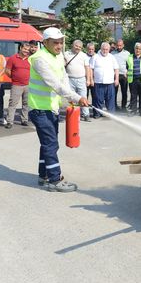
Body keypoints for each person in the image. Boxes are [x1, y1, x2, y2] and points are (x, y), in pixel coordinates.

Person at [28, 27, 89, 191]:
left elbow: (64, 79)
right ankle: (55, 179)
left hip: (51, 108)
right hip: (39, 109)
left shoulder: (57, 56)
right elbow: (54, 84)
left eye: (61, 42)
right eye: (55, 42)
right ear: (45, 42)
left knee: (46, 144)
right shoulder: (39, 59)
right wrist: (77, 98)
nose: (59, 45)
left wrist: (72, 99)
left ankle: (44, 175)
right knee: (51, 144)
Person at [5, 42, 31, 128]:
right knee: (13, 103)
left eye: (28, 50)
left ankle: (24, 120)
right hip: (16, 85)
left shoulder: (30, 59)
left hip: (28, 85)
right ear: (20, 48)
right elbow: (7, 71)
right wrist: (15, 78)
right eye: (24, 49)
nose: (26, 51)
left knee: (26, 103)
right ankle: (9, 121)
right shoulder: (13, 58)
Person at [64, 40, 91, 122]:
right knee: (72, 98)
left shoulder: (84, 56)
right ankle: (74, 115)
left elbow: (87, 68)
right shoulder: (66, 54)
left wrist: (88, 79)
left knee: (83, 97)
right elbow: (62, 66)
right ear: (73, 45)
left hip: (81, 79)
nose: (78, 48)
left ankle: (86, 114)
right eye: (76, 46)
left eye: (79, 47)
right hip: (70, 79)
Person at [91, 42, 119, 117]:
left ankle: (111, 114)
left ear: (109, 49)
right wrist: (91, 79)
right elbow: (91, 69)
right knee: (98, 100)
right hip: (98, 82)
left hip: (110, 83)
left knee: (110, 100)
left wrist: (116, 79)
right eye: (103, 49)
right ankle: (97, 114)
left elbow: (116, 69)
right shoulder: (95, 57)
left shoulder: (112, 57)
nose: (105, 51)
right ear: (101, 48)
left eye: (107, 49)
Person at [127, 42, 141, 116]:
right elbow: (127, 67)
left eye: (139, 49)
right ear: (134, 49)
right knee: (133, 96)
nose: (138, 50)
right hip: (132, 79)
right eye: (136, 48)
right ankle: (133, 111)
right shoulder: (129, 57)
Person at [112, 39, 131, 111]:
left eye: (120, 45)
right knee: (114, 92)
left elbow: (130, 65)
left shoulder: (127, 53)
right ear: (116, 45)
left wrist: (128, 72)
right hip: (115, 75)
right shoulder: (112, 53)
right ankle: (114, 106)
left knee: (124, 91)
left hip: (124, 75)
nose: (119, 47)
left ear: (123, 45)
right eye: (118, 45)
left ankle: (123, 106)